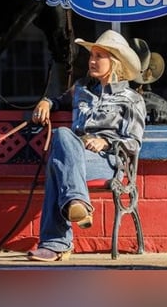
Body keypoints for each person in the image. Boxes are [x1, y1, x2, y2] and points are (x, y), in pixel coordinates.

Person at [26, 29, 147, 262]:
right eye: (92, 55)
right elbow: (60, 100)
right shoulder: (81, 89)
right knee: (62, 137)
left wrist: (107, 141)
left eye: (99, 56)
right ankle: (77, 202)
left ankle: (55, 244)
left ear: (115, 62)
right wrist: (46, 101)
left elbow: (133, 143)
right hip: (76, 154)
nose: (92, 60)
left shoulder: (132, 100)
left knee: (56, 165)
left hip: (107, 160)